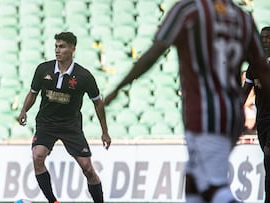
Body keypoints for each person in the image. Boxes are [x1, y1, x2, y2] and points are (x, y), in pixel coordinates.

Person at [103, 1, 270, 203]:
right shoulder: (243, 18)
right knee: (193, 183)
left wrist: (119, 88)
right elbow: (262, 70)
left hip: (204, 114)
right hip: (232, 115)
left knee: (212, 188)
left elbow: (156, 51)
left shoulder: (188, 10)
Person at [17, 32, 111, 203]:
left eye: (62, 47)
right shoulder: (43, 69)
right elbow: (33, 93)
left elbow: (98, 103)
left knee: (88, 169)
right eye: (56, 46)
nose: (57, 50)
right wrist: (24, 110)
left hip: (71, 126)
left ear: (73, 49)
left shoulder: (84, 76)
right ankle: (53, 201)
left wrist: (105, 132)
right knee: (37, 156)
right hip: (46, 123)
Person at [243, 26, 270, 203]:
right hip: (263, 122)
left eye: (269, 37)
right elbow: (244, 92)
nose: (265, 40)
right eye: (263, 37)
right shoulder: (255, 64)